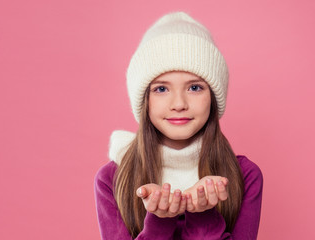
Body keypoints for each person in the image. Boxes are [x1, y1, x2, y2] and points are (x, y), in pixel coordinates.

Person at [94, 11, 263, 240]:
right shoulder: (112, 179)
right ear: (145, 101)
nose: (179, 104)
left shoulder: (245, 176)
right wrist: (159, 222)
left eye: (194, 88)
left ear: (213, 96)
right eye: (161, 89)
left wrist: (203, 216)